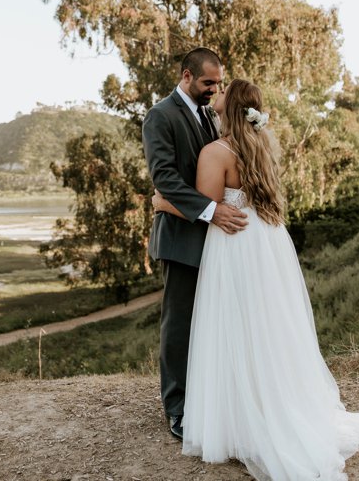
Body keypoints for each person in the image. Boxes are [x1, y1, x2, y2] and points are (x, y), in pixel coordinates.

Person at [153, 79, 359, 480]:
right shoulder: (263, 143)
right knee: (267, 327)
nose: (219, 91)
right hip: (267, 241)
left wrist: (161, 201)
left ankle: (241, 416)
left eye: (224, 89)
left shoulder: (216, 151)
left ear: (230, 106)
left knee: (233, 326)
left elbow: (203, 205)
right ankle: (273, 402)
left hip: (234, 246)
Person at [141, 48, 249, 441]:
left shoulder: (209, 115)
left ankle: (209, 400)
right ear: (187, 76)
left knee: (213, 323)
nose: (214, 89)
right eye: (208, 83)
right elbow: (165, 179)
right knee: (180, 326)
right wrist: (211, 210)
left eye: (218, 84)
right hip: (181, 238)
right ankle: (178, 410)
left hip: (217, 243)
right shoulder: (161, 116)